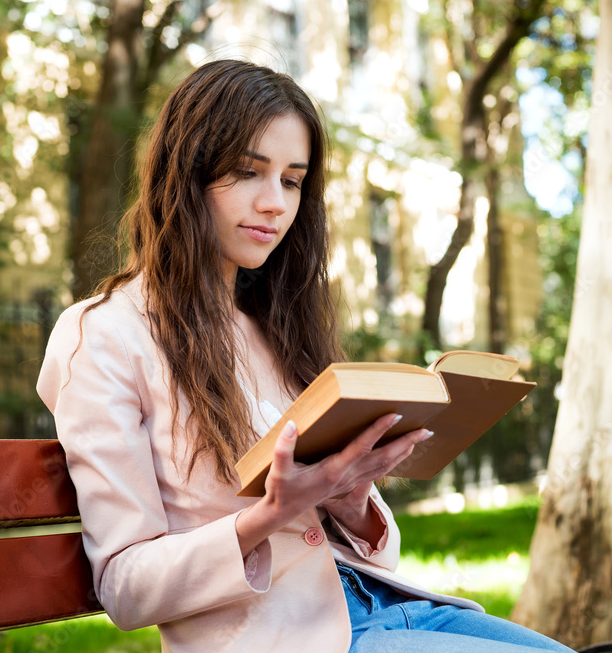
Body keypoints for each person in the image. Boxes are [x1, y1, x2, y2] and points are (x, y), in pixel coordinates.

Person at [37, 59, 573, 653]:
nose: (275, 203)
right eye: (248, 172)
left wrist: (349, 496)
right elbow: (126, 587)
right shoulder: (105, 335)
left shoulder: (275, 325)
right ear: (186, 173)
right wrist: (267, 514)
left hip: (384, 607)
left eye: (292, 181)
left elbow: (375, 552)